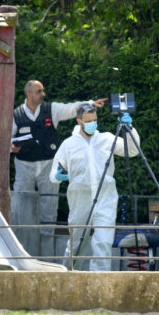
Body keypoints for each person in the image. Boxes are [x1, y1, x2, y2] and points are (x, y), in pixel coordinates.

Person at [51, 102, 140, 271]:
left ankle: (99, 282)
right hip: (80, 200)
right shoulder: (69, 144)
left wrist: (130, 129)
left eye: (95, 119)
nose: (93, 123)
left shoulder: (106, 139)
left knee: (103, 242)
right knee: (76, 244)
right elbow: (54, 174)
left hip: (105, 199)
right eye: (88, 120)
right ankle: (68, 278)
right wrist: (57, 176)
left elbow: (133, 150)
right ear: (79, 121)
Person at [10, 80, 105, 238]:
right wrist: (11, 147)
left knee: (49, 205)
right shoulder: (16, 114)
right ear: (29, 94)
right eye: (39, 91)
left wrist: (88, 103)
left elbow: (70, 108)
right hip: (23, 165)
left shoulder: (50, 109)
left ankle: (47, 241)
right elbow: (7, 137)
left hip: (48, 164)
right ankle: (23, 242)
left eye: (43, 91)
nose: (43, 94)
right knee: (22, 203)